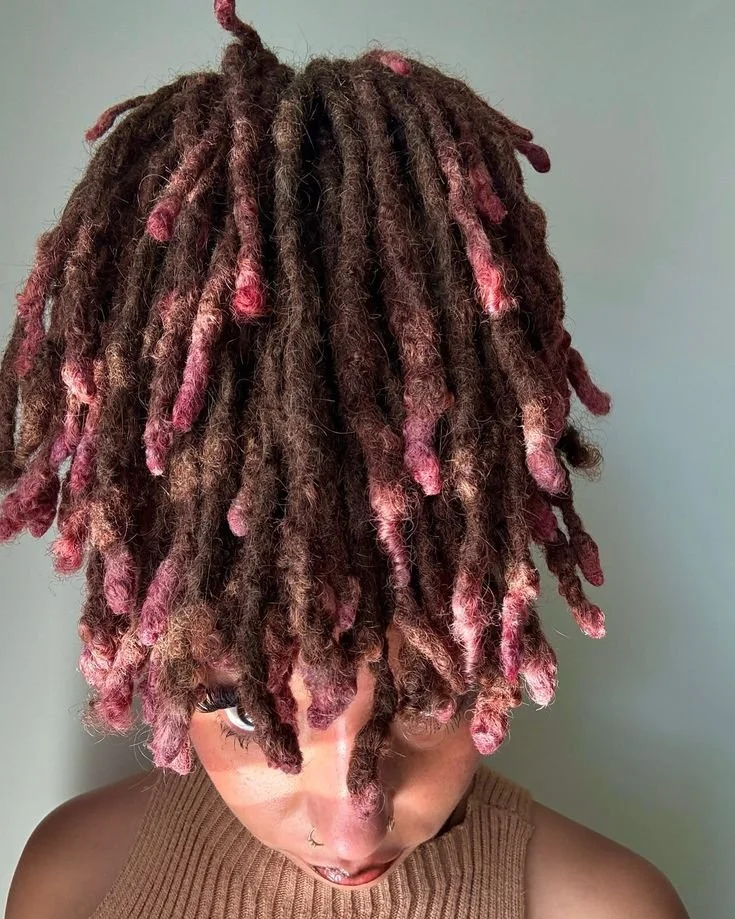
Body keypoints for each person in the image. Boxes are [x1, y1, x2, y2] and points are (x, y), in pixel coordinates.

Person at [2, 2, 689, 916]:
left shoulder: (602, 907)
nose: (350, 824)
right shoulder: (72, 882)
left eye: (423, 695)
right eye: (246, 709)